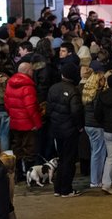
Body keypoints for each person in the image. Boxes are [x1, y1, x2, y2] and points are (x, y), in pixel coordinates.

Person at [47, 63, 82, 196]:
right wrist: (79, 126)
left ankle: (58, 188)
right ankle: (66, 189)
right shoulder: (73, 90)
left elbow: (49, 110)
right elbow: (76, 111)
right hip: (70, 130)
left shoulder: (53, 88)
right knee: (69, 160)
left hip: (56, 129)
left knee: (62, 158)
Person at [5, 61, 42, 182]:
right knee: (29, 149)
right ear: (27, 71)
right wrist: (37, 123)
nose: (33, 72)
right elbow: (31, 107)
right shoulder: (28, 86)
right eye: (31, 70)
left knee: (17, 148)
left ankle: (18, 175)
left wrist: (13, 116)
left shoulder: (10, 83)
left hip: (15, 122)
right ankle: (31, 176)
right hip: (28, 124)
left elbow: (7, 103)